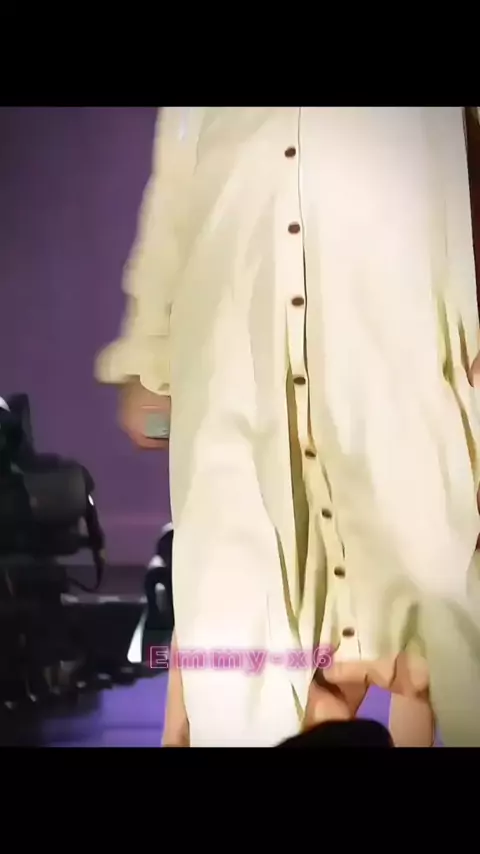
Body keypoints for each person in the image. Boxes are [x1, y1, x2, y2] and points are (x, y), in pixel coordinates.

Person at [96, 107, 480, 748]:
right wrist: (149, 346)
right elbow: (177, 185)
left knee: (436, 596)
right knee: (239, 615)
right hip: (234, 351)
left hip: (392, 342)